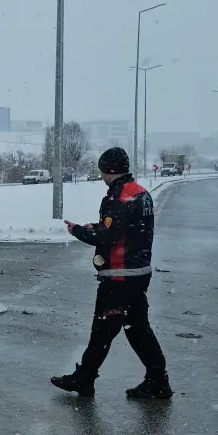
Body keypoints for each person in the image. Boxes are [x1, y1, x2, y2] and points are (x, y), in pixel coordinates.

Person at [51, 146, 172, 399]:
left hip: (119, 275)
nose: (102, 176)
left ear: (109, 170)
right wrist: (96, 225)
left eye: (102, 170)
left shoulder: (118, 197)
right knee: (138, 330)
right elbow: (124, 228)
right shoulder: (140, 193)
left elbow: (108, 236)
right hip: (138, 272)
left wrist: (78, 231)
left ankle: (84, 379)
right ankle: (158, 380)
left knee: (102, 332)